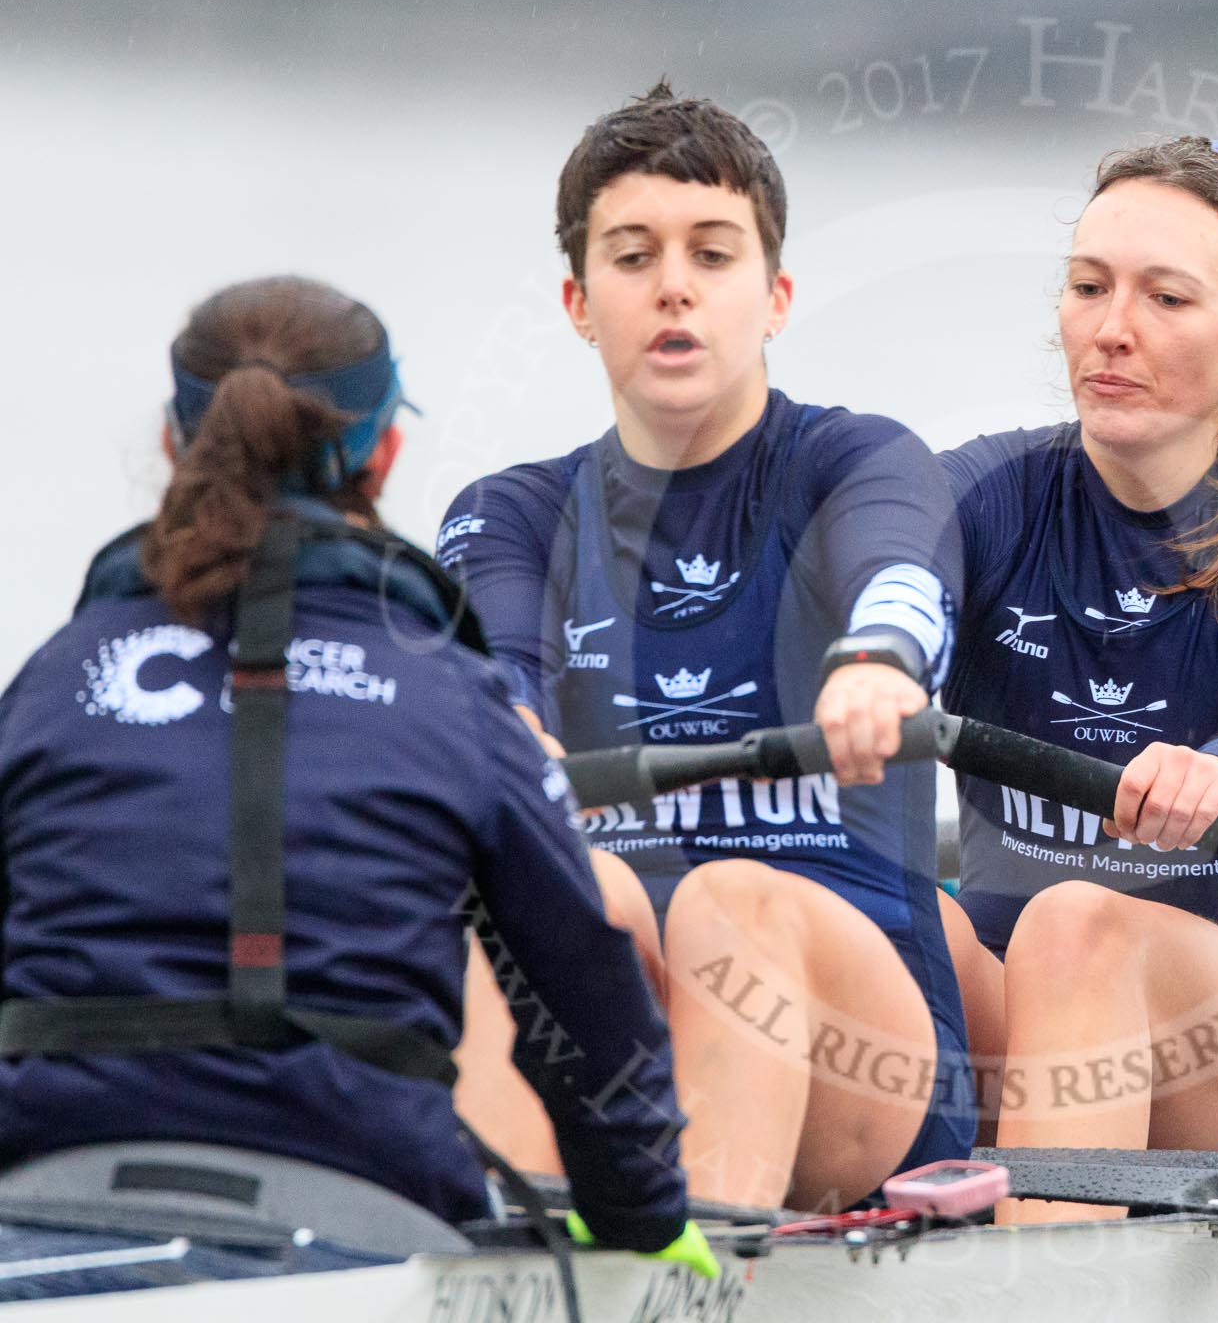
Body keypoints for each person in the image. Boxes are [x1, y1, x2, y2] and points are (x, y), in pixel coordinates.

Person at [0, 276, 703, 1289]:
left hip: (43, 1204)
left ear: (174, 444)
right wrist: (640, 1215)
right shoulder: (456, 697)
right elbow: (585, 1001)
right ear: (383, 453)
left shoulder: (54, 679)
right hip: (360, 1221)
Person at [438, 85, 972, 1211]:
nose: (673, 284)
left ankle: (694, 1274)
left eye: (711, 254)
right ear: (581, 304)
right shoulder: (515, 511)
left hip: (865, 1048)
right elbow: (489, 673)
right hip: (630, 1020)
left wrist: (874, 662)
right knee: (525, 887)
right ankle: (482, 1252)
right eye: (633, 257)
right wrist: (503, 734)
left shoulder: (857, 462)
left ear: (774, 295)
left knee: (731, 900)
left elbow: (903, 577)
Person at [936, 137, 1218, 1222]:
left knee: (1075, 924)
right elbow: (862, 588)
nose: (1111, 327)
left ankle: (1034, 1285)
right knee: (863, 903)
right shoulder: (985, 492)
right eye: (1089, 286)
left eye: (1165, 296)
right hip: (1021, 1004)